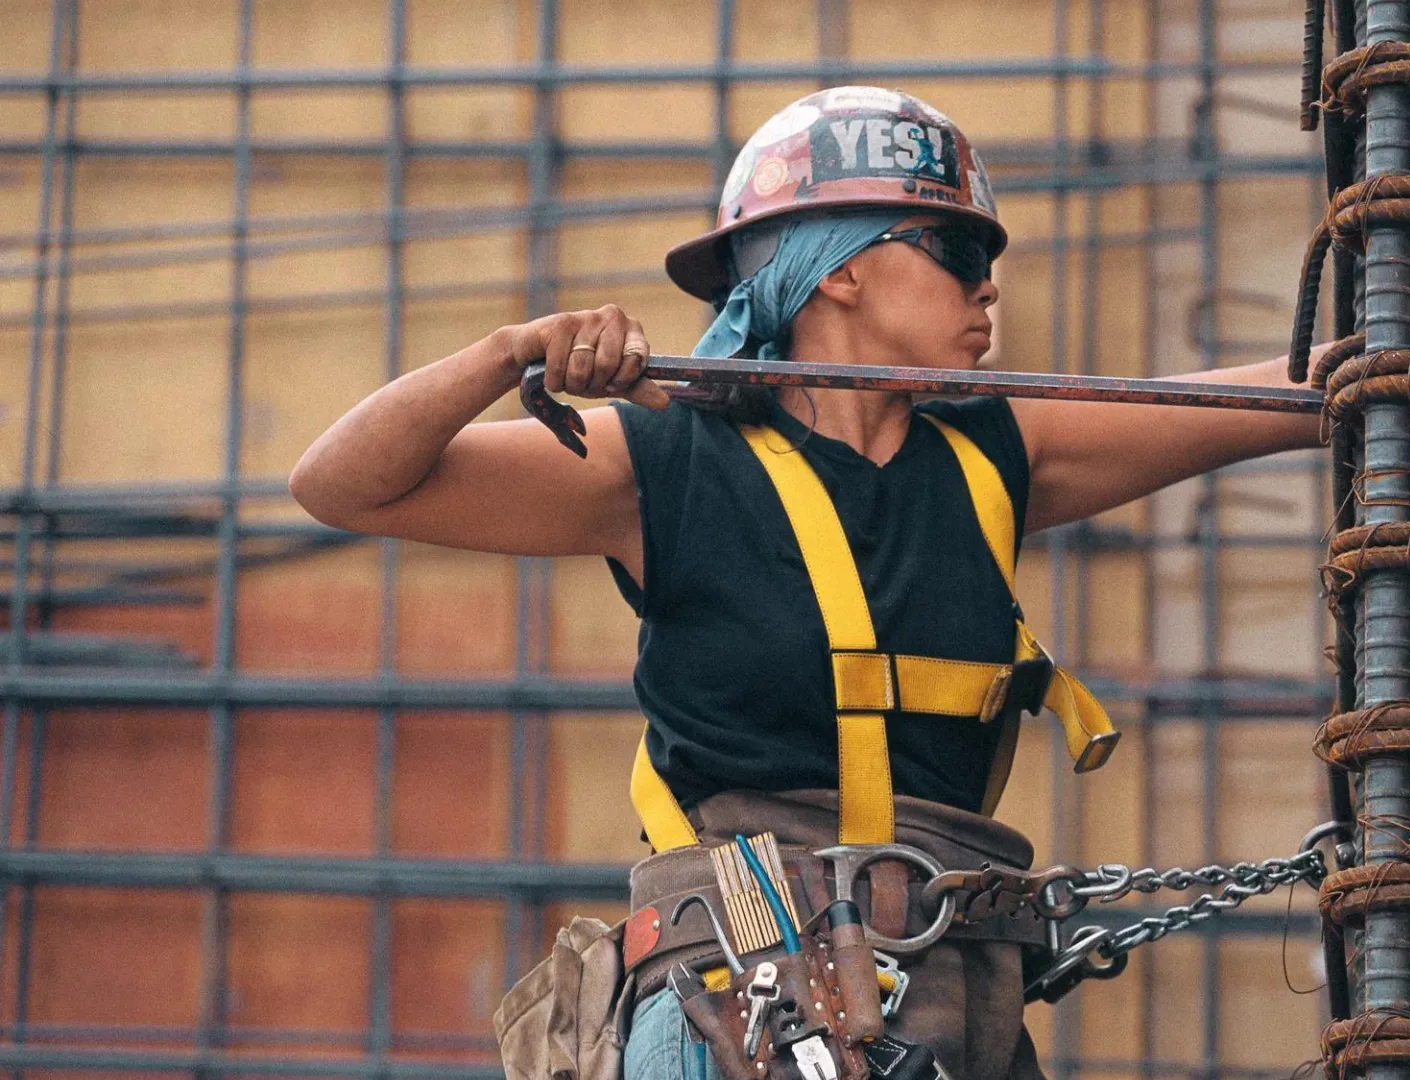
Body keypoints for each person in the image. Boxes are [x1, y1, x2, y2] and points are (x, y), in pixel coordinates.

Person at [291, 86, 1324, 1080]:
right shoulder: (664, 462)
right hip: (738, 1002)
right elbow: (339, 485)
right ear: (841, 271)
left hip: (953, 1001)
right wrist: (507, 355)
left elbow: (1277, 399)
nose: (988, 287)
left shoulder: (993, 455)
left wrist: (1408, 349)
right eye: (959, 251)